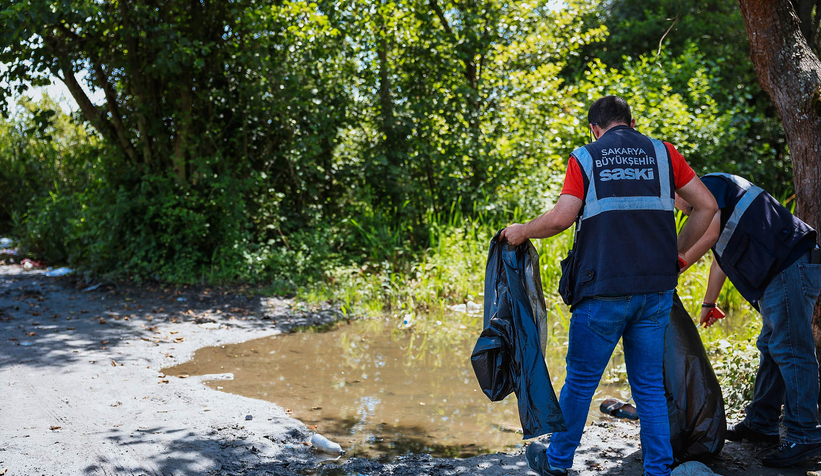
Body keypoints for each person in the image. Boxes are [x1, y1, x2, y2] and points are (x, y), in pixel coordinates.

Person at [501, 95, 717, 476]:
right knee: (649, 387)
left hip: (603, 290)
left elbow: (562, 218)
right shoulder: (664, 153)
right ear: (632, 124)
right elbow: (707, 206)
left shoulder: (585, 156)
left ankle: (556, 463)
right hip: (655, 291)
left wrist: (521, 231)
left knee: (581, 384)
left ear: (594, 129)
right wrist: (676, 256)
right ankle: (658, 470)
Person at [675, 172, 821, 467]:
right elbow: (720, 256)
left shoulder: (709, 186)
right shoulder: (715, 200)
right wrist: (709, 302)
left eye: (674, 200)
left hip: (790, 267)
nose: (678, 208)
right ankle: (761, 424)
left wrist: (669, 267)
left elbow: (710, 234)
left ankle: (805, 435)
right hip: (781, 273)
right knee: (772, 347)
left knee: (792, 350)